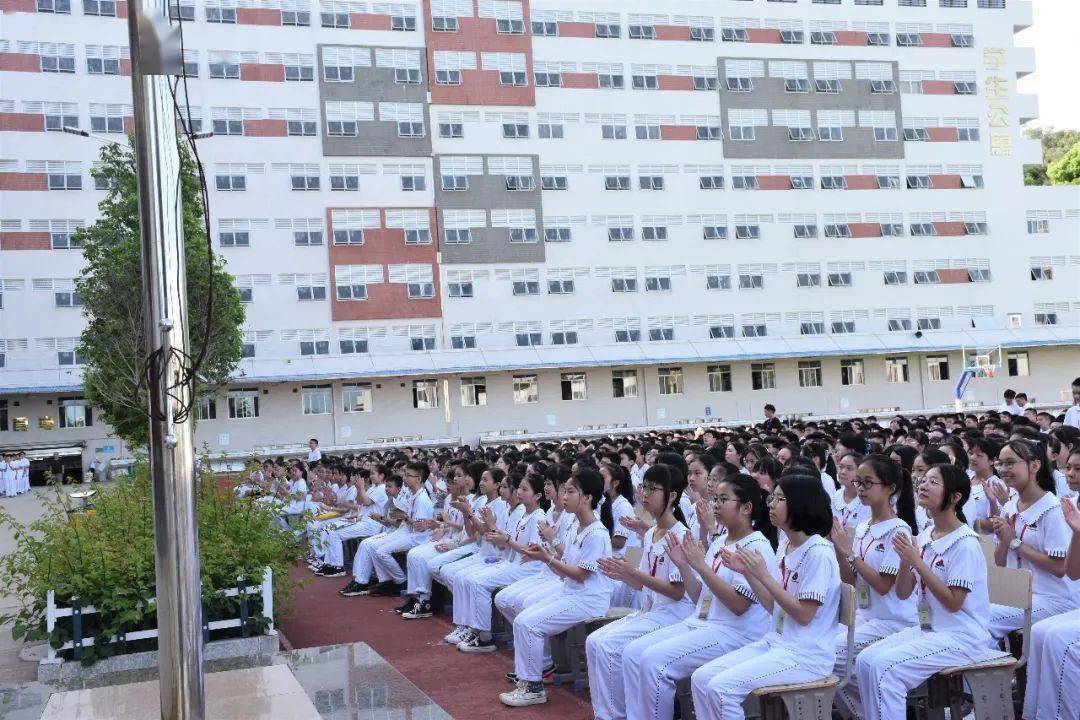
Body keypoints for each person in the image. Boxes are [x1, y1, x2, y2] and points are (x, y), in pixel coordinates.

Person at [853, 464, 1002, 720]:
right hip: (930, 630)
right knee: (866, 660)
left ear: (955, 497)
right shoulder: (925, 536)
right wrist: (905, 561)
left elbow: (954, 603)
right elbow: (902, 593)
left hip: (962, 636)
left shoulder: (964, 543)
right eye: (923, 480)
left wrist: (918, 563)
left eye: (933, 482)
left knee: (885, 668)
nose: (923, 485)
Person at [624, 472, 776, 720]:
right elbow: (698, 598)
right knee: (635, 652)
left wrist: (701, 566)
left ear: (747, 507)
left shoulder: (755, 545)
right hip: (704, 623)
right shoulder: (721, 541)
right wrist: (684, 565)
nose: (715, 505)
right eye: (715, 499)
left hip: (736, 633)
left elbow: (739, 606)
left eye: (723, 499)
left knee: (654, 661)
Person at [691, 474, 840, 720]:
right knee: (701, 678)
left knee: (722, 689)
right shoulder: (786, 544)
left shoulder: (818, 552)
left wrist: (763, 575)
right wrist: (748, 573)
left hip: (806, 655)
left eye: (780, 499)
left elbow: (804, 615)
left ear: (801, 504)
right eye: (773, 497)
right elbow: (773, 607)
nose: (771, 504)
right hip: (777, 643)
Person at [586, 465, 693, 720]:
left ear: (673, 496)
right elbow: (643, 583)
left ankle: (617, 714)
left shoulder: (680, 535)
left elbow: (677, 592)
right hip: (652, 611)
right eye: (644, 487)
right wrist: (624, 574)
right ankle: (605, 712)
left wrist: (634, 574)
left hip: (674, 614)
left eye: (653, 489)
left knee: (612, 645)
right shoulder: (652, 533)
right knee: (594, 641)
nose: (645, 494)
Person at [500, 468, 612, 708]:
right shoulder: (574, 523)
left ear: (588, 498)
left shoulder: (597, 533)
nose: (564, 496)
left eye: (571, 491)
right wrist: (547, 551)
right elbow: (568, 556)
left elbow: (581, 574)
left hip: (588, 598)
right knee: (522, 619)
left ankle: (532, 687)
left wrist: (546, 559)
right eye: (565, 491)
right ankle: (529, 678)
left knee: (529, 624)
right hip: (571, 591)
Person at [829, 455, 919, 716]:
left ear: (890, 488)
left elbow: (882, 585)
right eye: (859, 482)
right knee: (821, 650)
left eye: (868, 483)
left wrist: (850, 554)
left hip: (894, 620)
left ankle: (867, 712)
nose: (860, 489)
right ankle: (866, 711)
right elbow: (850, 579)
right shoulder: (864, 526)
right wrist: (840, 549)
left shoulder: (898, 529)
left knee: (832, 656)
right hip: (866, 616)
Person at [987, 440, 1075, 639]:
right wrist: (1003, 541)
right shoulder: (1009, 506)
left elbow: (1060, 568)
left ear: (1035, 465)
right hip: (1016, 594)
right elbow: (1000, 562)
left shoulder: (1053, 509)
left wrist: (1015, 543)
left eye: (1010, 463)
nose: (1003, 469)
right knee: (969, 612)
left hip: (1052, 599)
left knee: (984, 619)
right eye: (1000, 463)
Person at [454, 474, 547, 653]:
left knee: (478, 582)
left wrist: (499, 533)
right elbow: (506, 543)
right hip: (514, 563)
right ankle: (473, 628)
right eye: (519, 488)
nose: (519, 492)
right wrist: (495, 531)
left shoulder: (538, 516)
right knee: (470, 578)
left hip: (529, 568)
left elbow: (532, 551)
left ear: (537, 496)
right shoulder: (524, 515)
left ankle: (484, 637)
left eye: (524, 489)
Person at [1021, 495, 1080, 720]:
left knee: (1059, 639)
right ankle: (1034, 715)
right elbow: (1074, 572)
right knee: (1039, 632)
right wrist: (1077, 533)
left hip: (1060, 599)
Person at [339, 462, 434, 597]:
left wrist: (404, 517)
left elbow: (418, 527)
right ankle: (381, 580)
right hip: (404, 531)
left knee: (381, 551)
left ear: (418, 479)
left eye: (408, 475)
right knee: (370, 545)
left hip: (415, 537)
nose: (404, 477)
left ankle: (400, 581)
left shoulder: (422, 498)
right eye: (405, 474)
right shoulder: (414, 494)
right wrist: (401, 517)